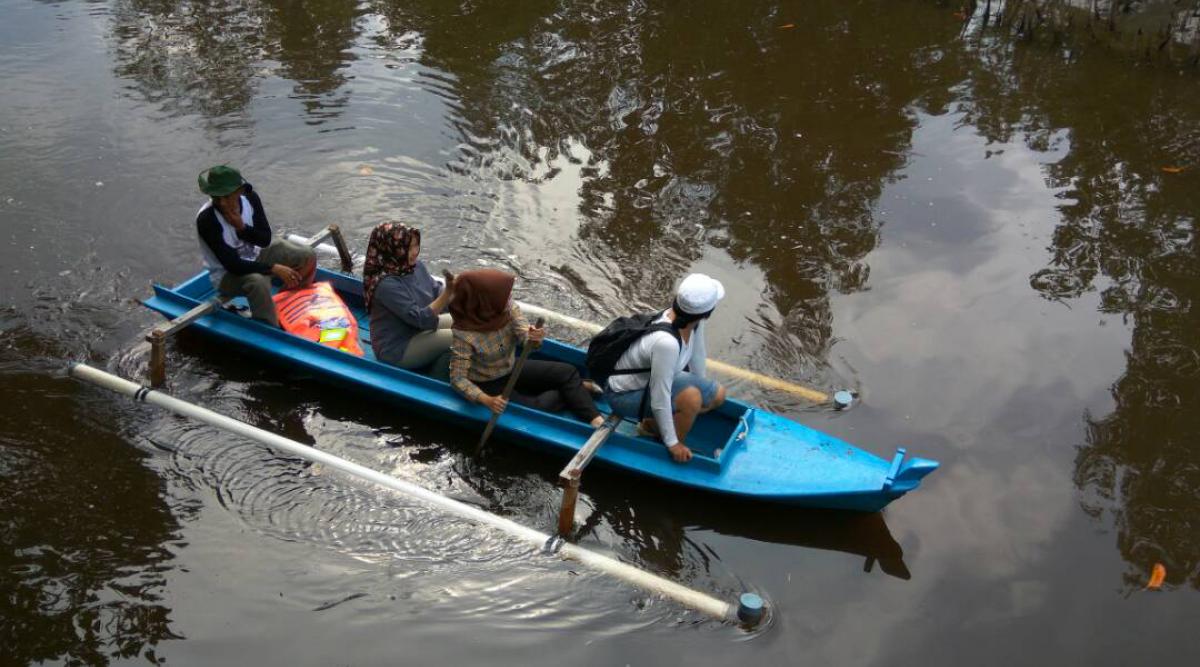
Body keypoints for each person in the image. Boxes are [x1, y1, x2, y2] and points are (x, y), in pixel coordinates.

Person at [448, 269, 605, 427]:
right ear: (486, 301)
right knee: (540, 406)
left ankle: (595, 419)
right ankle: (576, 389)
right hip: (487, 382)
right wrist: (486, 400)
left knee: (567, 371)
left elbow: (524, 336)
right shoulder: (464, 334)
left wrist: (533, 338)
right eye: (503, 295)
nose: (508, 298)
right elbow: (457, 379)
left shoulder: (508, 307)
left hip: (510, 367)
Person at [601, 274, 728, 463]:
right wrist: (673, 442)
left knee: (717, 395)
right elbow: (660, 394)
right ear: (707, 312)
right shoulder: (666, 343)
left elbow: (697, 355)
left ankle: (652, 425)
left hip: (649, 386)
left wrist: (702, 391)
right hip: (623, 395)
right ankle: (664, 445)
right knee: (691, 399)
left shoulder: (693, 322)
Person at [195, 165, 316, 328]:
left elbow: (265, 240)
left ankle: (288, 304)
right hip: (227, 275)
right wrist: (272, 268)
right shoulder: (207, 219)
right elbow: (233, 265)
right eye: (216, 198)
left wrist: (241, 228)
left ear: (239, 191)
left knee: (306, 255)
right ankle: (268, 327)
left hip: (256, 255)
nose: (222, 203)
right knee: (258, 282)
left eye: (226, 196)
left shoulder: (250, 199)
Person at [362, 221, 454, 369]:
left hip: (419, 328)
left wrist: (459, 294)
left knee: (467, 322)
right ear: (391, 249)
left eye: (416, 245)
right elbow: (420, 319)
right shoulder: (386, 284)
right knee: (460, 338)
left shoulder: (415, 266)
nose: (415, 251)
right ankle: (437, 379)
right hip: (398, 347)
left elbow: (436, 291)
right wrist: (449, 292)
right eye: (408, 247)